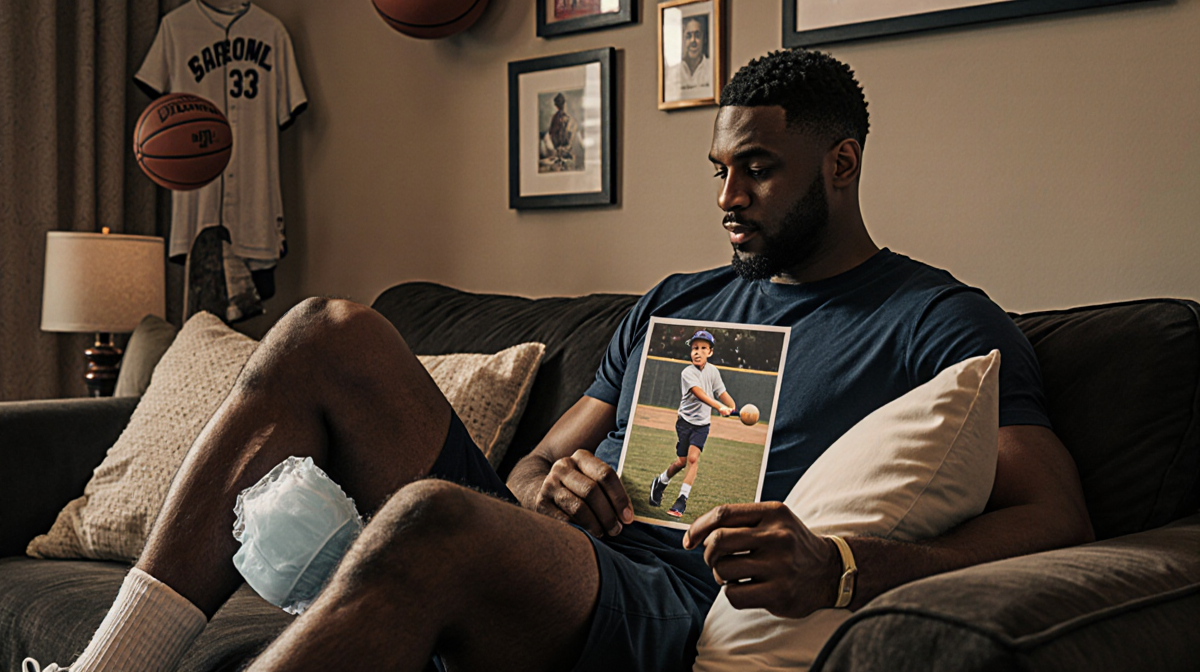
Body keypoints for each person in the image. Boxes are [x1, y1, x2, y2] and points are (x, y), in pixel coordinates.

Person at [24, 49, 1093, 672]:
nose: (727, 198)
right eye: (720, 168)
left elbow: (1058, 518)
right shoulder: (677, 303)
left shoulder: (936, 321)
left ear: (844, 162)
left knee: (427, 516)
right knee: (321, 329)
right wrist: (557, 479)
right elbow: (534, 472)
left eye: (760, 171)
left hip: (668, 605)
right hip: (567, 557)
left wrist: (844, 565)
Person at [648, 329, 737, 518]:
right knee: (681, 462)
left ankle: (681, 500)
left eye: (703, 348)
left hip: (702, 425)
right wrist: (719, 407)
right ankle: (661, 481)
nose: (697, 352)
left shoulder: (713, 371)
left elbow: (722, 392)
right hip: (685, 423)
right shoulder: (687, 372)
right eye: (695, 348)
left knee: (693, 459)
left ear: (710, 352)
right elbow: (701, 394)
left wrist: (732, 406)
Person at [665, 16, 711, 101]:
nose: (693, 41)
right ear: (683, 40)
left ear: (704, 39)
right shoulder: (671, 73)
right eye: (688, 36)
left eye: (697, 35)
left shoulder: (712, 68)